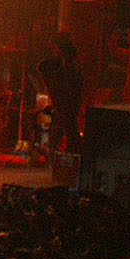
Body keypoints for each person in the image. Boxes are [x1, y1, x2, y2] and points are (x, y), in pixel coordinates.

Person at [37, 33, 84, 162]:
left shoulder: (69, 66)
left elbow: (69, 88)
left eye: (54, 46)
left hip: (66, 105)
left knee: (67, 133)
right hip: (66, 106)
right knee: (66, 133)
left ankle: (66, 166)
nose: (53, 50)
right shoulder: (68, 64)